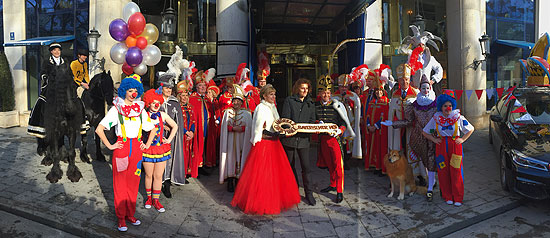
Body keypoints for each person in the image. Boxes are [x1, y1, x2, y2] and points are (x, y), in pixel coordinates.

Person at [95, 75, 156, 232]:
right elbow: (99, 129)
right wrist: (110, 145)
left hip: (136, 149)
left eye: (136, 91)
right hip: (121, 149)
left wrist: (146, 144)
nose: (133, 94)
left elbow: (152, 128)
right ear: (124, 91)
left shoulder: (140, 110)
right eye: (130, 90)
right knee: (120, 184)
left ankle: (130, 214)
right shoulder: (117, 109)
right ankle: (121, 218)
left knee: (134, 184)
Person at [231, 84, 300, 215]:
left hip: (274, 143)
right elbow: (258, 128)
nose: (273, 97)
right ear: (264, 96)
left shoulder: (273, 107)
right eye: (271, 95)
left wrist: (282, 131)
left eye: (274, 94)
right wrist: (270, 133)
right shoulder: (261, 108)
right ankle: (261, 201)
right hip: (264, 144)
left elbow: (276, 123)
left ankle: (275, 199)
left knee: (275, 173)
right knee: (263, 174)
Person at [383, 75, 438, 200]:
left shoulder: (434, 103)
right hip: (416, 135)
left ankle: (429, 182)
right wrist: (393, 123)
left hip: (432, 136)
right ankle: (412, 178)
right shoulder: (414, 103)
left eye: (427, 88)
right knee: (418, 155)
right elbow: (408, 121)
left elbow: (440, 118)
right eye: (423, 88)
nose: (425, 90)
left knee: (431, 159)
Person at [422, 90, 474, 206]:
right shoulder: (436, 118)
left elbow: (470, 129)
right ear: (441, 106)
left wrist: (463, 139)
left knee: (456, 171)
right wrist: (434, 139)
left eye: (450, 105)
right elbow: (425, 132)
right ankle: (447, 196)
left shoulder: (459, 117)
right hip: (441, 148)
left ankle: (458, 197)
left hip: (455, 146)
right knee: (443, 171)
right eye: (445, 106)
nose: (448, 108)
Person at [280, 78, 317, 206]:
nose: (305, 91)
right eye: (302, 88)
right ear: (297, 89)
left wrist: (306, 130)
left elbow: (312, 121)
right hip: (289, 139)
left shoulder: (311, 103)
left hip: (303, 140)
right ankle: (293, 191)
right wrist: (290, 130)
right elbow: (285, 119)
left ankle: (309, 194)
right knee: (290, 166)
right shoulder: (289, 101)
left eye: (307, 88)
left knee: (306, 167)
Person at [141, 88, 178, 213]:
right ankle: (148, 199)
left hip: (161, 149)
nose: (156, 105)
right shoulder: (143, 115)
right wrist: (141, 141)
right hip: (148, 149)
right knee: (148, 175)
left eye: (158, 102)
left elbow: (175, 126)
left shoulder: (163, 115)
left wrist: (169, 140)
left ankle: (156, 200)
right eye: (153, 102)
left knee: (158, 176)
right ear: (149, 103)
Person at [388, 63, 424, 184]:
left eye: (407, 80)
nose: (405, 82)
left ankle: (417, 175)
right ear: (398, 81)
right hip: (399, 129)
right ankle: (400, 174)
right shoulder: (394, 94)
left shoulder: (416, 93)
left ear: (410, 79)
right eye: (402, 80)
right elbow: (391, 113)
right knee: (399, 149)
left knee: (414, 151)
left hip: (412, 129)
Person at [316, 76, 350, 203]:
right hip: (323, 140)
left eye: (328, 92)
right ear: (320, 93)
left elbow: (344, 122)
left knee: (338, 165)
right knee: (329, 164)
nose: (326, 95)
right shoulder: (316, 106)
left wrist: (339, 130)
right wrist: (317, 123)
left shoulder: (337, 106)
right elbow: (312, 120)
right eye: (324, 92)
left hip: (334, 140)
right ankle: (332, 183)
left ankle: (339, 190)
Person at [156, 73, 187, 198]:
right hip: (157, 136)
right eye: (166, 88)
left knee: (169, 159)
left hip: (171, 137)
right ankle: (157, 182)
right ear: (161, 88)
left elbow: (179, 121)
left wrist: (172, 128)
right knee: (158, 159)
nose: (169, 90)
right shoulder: (155, 100)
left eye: (170, 88)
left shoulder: (175, 102)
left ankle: (167, 183)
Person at [28, 43, 68, 141]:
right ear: (51, 52)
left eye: (58, 50)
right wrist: (47, 78)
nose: (57, 52)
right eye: (54, 50)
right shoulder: (47, 62)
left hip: (64, 87)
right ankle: (38, 124)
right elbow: (43, 73)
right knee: (40, 102)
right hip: (51, 87)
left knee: (76, 100)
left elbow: (69, 73)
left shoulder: (65, 62)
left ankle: (80, 123)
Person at [219, 84, 252, 192]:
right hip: (230, 140)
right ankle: (230, 180)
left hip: (242, 140)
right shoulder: (227, 112)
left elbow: (250, 128)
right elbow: (223, 127)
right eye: (234, 100)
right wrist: (231, 128)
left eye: (238, 100)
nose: (236, 103)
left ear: (242, 102)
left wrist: (242, 128)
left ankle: (239, 180)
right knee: (230, 158)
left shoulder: (247, 114)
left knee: (240, 157)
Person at [364, 75, 389, 174]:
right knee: (372, 148)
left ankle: (381, 168)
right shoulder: (372, 102)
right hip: (371, 130)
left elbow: (385, 116)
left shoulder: (386, 102)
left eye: (380, 91)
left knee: (380, 149)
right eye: (377, 91)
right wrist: (369, 125)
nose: (378, 93)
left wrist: (376, 126)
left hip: (380, 130)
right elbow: (368, 115)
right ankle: (374, 165)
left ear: (383, 92)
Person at [189, 71, 212, 177]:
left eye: (204, 85)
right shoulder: (192, 99)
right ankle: (194, 167)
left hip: (206, 127)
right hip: (197, 127)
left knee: (204, 145)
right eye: (200, 86)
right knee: (196, 146)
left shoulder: (207, 99)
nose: (202, 87)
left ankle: (201, 165)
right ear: (196, 87)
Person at [175, 80, 196, 180]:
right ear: (179, 96)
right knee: (180, 154)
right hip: (181, 135)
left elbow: (193, 121)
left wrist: (192, 132)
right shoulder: (177, 107)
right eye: (183, 95)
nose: (185, 97)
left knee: (188, 153)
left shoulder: (190, 107)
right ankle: (180, 174)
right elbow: (177, 123)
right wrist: (186, 132)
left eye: (186, 95)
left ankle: (186, 172)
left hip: (189, 135)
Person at [205, 81, 221, 168]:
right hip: (208, 124)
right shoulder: (206, 101)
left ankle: (213, 160)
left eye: (210, 92)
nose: (208, 93)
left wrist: (217, 120)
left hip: (215, 125)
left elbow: (218, 113)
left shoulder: (215, 102)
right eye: (208, 92)